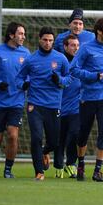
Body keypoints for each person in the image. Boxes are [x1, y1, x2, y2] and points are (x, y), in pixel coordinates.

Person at [71, 17, 103, 182]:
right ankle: (81, 163)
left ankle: (98, 170)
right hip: (88, 97)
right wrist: (92, 76)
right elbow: (74, 69)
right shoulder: (86, 49)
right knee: (83, 133)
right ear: (99, 31)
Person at [16, 26, 70, 181]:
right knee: (36, 138)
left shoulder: (61, 59)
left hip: (54, 106)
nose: (47, 43)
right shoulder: (31, 59)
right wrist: (23, 85)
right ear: (39, 39)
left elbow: (69, 79)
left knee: (54, 142)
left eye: (50, 40)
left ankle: (44, 152)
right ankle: (39, 172)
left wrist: (59, 80)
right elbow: (19, 78)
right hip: (35, 105)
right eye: (45, 40)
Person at [0, 22, 30, 178]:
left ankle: (8, 169)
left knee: (13, 135)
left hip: (17, 102)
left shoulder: (26, 54)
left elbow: (29, 74)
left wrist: (26, 83)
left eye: (24, 34)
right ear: (11, 35)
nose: (23, 37)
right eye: (20, 34)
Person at [53, 34, 80, 179]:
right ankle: (58, 165)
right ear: (65, 47)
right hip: (59, 107)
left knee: (74, 135)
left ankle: (71, 163)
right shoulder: (59, 62)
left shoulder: (81, 62)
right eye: (72, 45)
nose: (75, 48)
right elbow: (56, 80)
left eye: (77, 45)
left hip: (76, 108)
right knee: (59, 139)